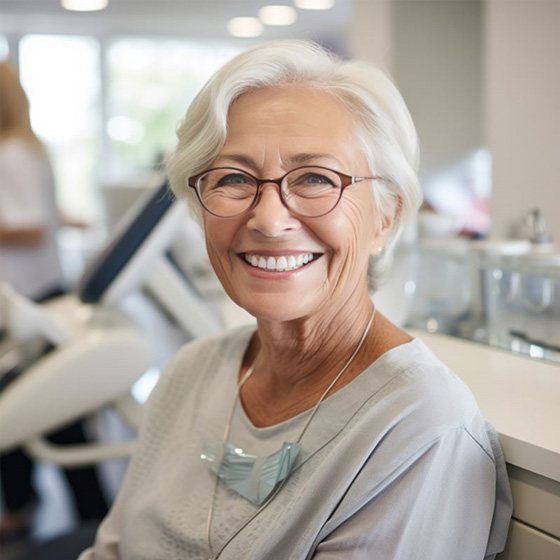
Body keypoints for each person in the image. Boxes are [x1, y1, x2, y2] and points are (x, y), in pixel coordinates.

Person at [81, 41, 512, 559]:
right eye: (234, 179)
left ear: (386, 216)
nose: (268, 219)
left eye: (315, 179)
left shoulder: (419, 426)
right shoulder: (191, 372)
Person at [0, 60, 108, 541]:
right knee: (47, 409)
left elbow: (30, 227)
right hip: (39, 293)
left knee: (53, 413)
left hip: (30, 298)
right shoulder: (27, 151)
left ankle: (80, 514)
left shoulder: (10, 154)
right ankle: (51, 507)